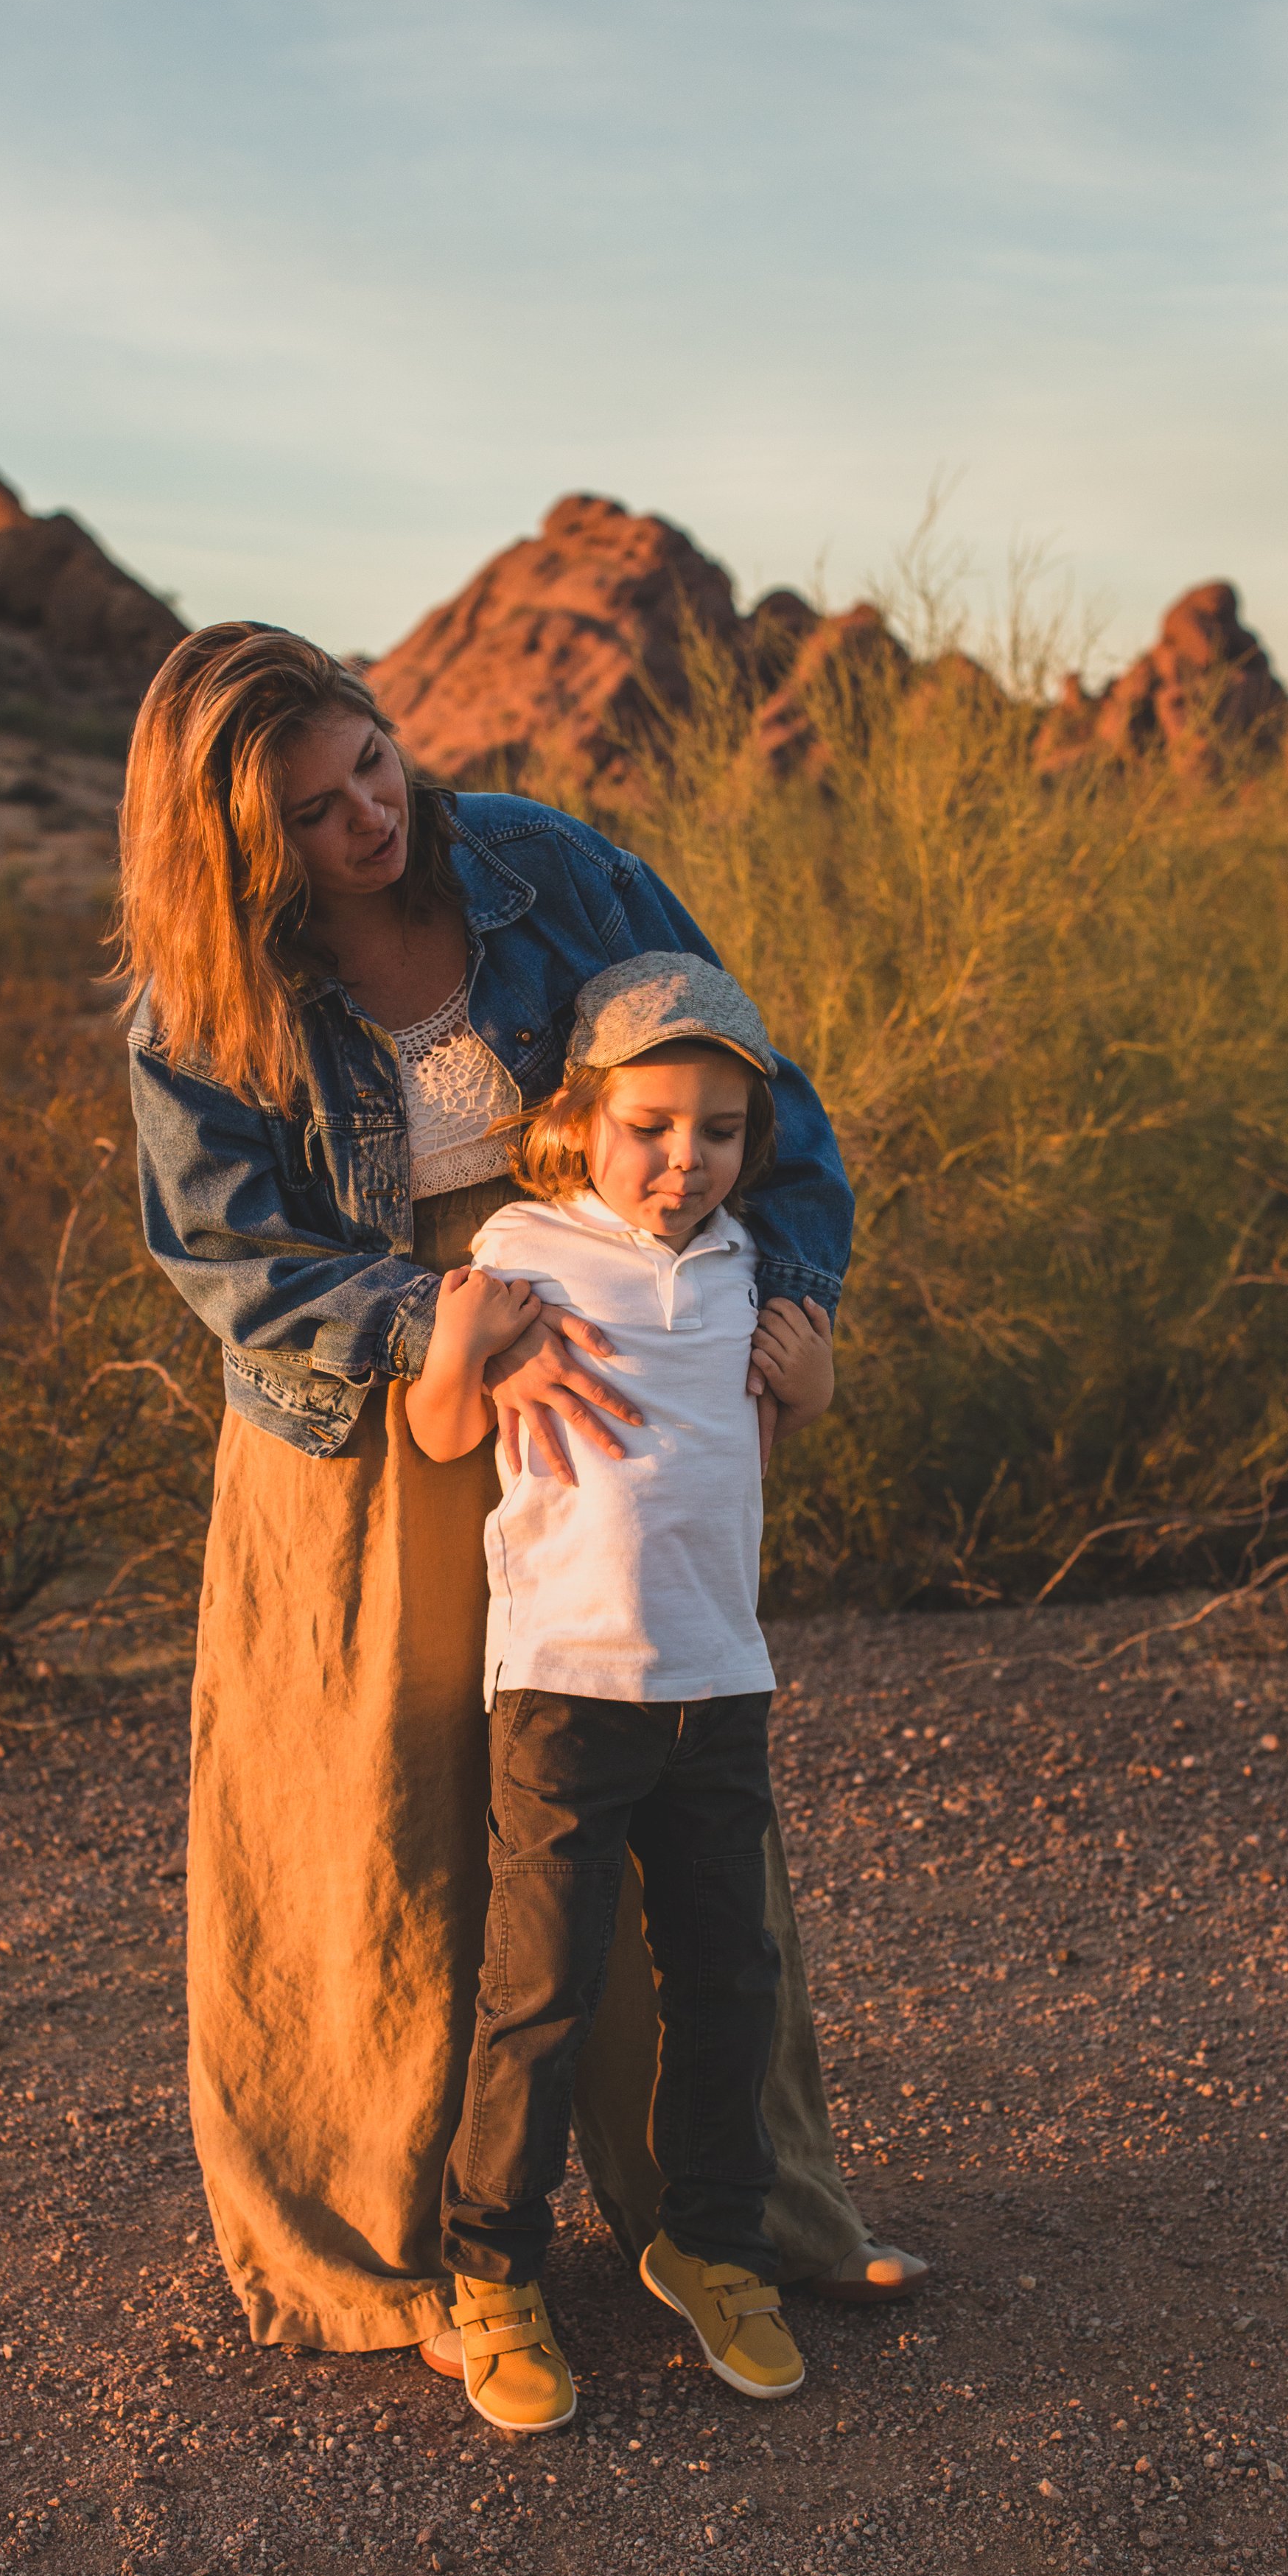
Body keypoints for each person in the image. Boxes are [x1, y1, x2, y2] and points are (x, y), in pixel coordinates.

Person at [120, 620, 928, 2367]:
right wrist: (442, 1323)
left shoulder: (549, 870)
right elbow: (222, 1249)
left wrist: (786, 1308)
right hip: (366, 1431)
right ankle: (406, 2249)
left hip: (618, 1387)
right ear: (235, 846)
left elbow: (756, 1095)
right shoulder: (201, 1001)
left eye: (373, 767)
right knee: (386, 1829)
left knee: (655, 1789)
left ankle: (736, 2212)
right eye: (314, 813)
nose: (368, 822)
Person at [406, 954, 839, 2433]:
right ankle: (493, 2280)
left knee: (727, 1983)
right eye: (650, 1124)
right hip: (565, 1689)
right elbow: (445, 1425)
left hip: (717, 1682)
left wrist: (812, 1389)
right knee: (538, 1995)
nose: (681, 1158)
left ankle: (710, 2248)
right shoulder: (525, 1247)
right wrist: (456, 1350)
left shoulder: (741, 1272)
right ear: (584, 1122)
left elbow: (740, 1466)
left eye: (716, 1132)